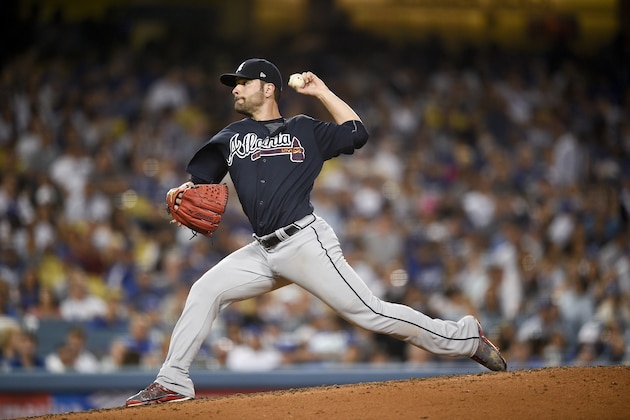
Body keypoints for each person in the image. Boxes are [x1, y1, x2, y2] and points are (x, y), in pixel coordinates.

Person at [126, 58, 506, 407]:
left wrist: (321, 92)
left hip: (305, 242)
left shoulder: (304, 129)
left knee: (371, 313)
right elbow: (199, 180)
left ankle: (464, 336)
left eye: (243, 83)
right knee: (204, 290)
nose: (236, 90)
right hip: (261, 251)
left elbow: (357, 133)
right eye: (234, 85)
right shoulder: (231, 136)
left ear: (268, 88)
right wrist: (181, 192)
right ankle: (173, 380)